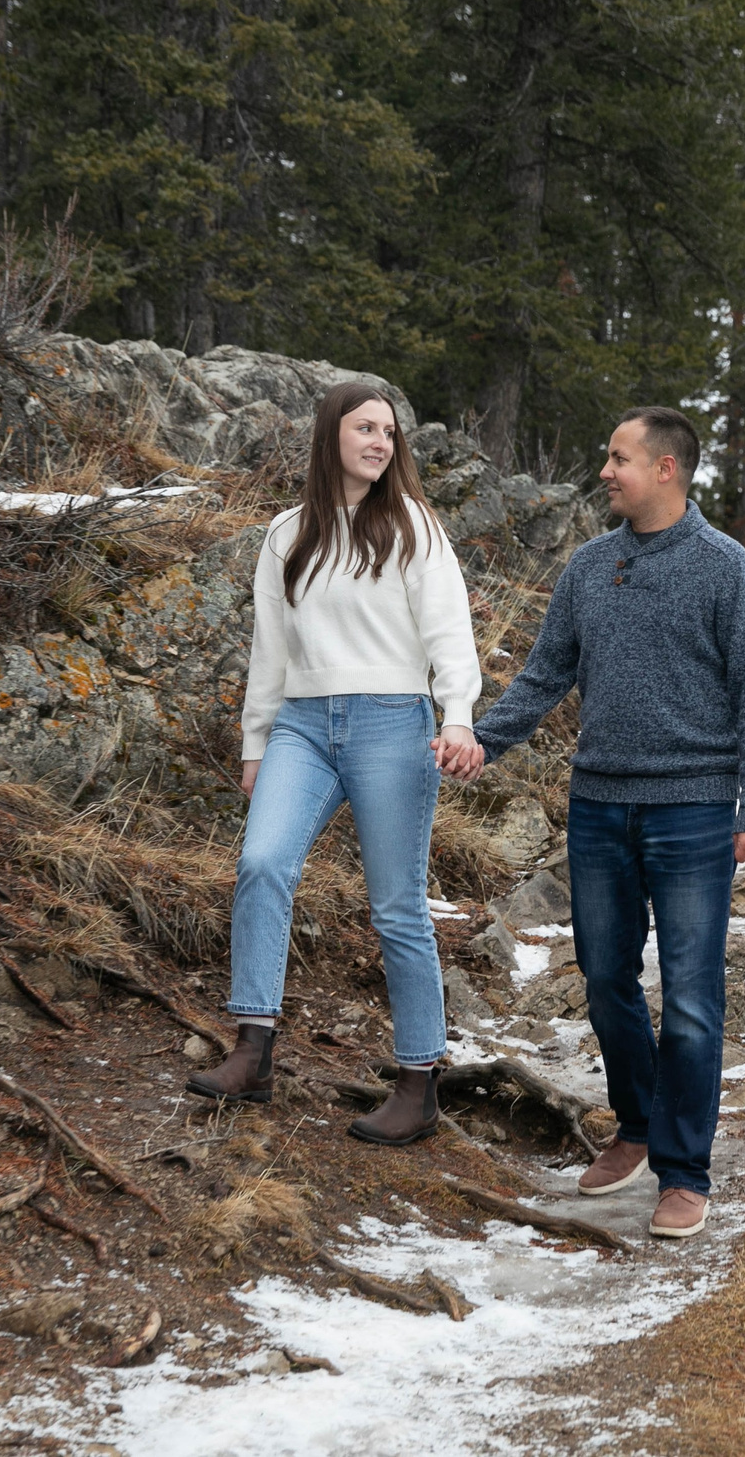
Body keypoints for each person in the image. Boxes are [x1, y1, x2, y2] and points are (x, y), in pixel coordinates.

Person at [466, 406, 745, 1239]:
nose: (604, 471)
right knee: (605, 979)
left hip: (694, 812)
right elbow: (543, 677)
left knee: (690, 996)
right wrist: (478, 742)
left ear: (667, 470)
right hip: (600, 805)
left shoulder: (724, 567)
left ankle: (684, 1169)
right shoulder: (588, 567)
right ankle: (636, 1125)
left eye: (618, 458)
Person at [187, 381, 487, 1146]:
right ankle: (253, 1050)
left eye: (390, 432)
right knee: (261, 862)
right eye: (366, 428)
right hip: (304, 727)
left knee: (397, 905)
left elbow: (450, 632)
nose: (381, 442)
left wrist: (457, 716)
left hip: (395, 724)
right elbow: (270, 651)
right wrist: (257, 743)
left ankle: (419, 1083)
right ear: (332, 436)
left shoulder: (413, 526)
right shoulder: (288, 534)